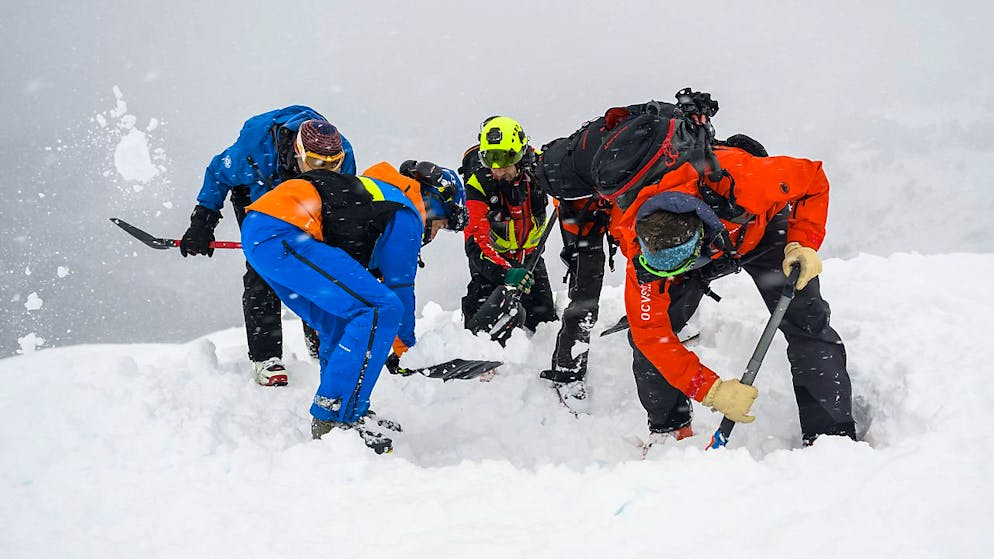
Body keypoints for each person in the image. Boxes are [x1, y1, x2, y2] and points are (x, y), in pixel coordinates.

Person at [609, 137, 857, 449]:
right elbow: (649, 332)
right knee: (650, 341)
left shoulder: (747, 180)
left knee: (807, 322)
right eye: (663, 268)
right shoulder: (646, 256)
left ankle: (830, 437)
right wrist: (711, 390)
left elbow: (812, 178)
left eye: (676, 265)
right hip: (692, 255)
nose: (669, 274)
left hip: (762, 232)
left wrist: (803, 242)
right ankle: (670, 431)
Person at [239, 159, 467, 453]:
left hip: (266, 232)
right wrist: (406, 350)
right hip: (283, 230)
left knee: (342, 322)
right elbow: (399, 288)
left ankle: (338, 415)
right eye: (441, 224)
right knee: (379, 309)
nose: (433, 234)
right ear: (434, 202)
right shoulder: (406, 211)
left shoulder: (381, 195)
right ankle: (337, 416)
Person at [179, 106, 356, 386]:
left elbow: (345, 204)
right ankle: (266, 358)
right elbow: (217, 173)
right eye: (315, 162)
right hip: (261, 191)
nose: (325, 169)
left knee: (319, 264)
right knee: (264, 267)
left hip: (311, 198)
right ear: (298, 151)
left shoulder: (342, 155)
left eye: (332, 164)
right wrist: (203, 221)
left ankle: (319, 340)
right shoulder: (255, 150)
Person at [459, 116, 557, 339]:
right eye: (491, 164)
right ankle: (476, 354)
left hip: (531, 259)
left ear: (520, 155)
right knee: (481, 327)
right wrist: (505, 272)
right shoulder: (478, 185)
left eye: (505, 165)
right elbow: (475, 239)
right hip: (492, 262)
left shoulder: (540, 171)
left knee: (545, 324)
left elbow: (568, 184)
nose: (498, 172)